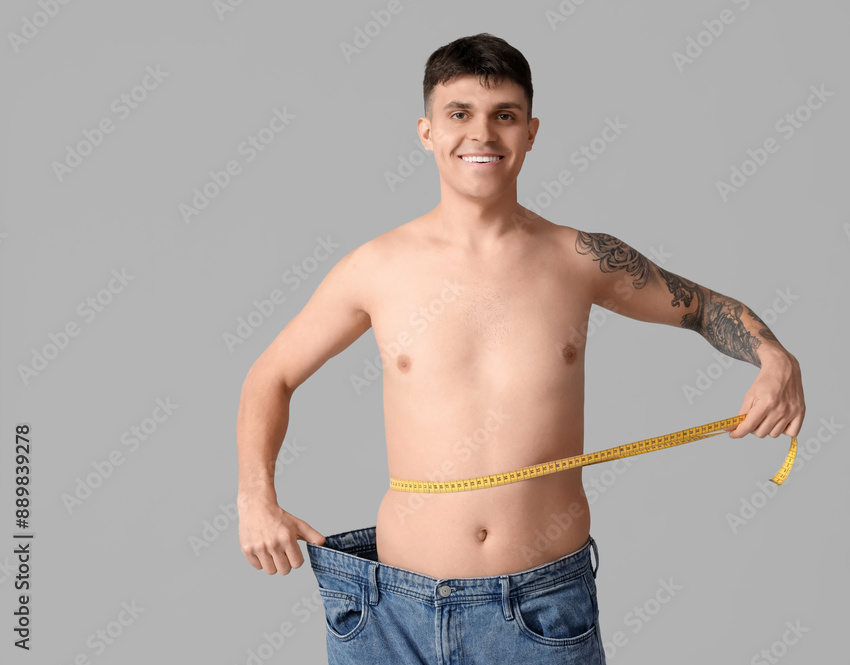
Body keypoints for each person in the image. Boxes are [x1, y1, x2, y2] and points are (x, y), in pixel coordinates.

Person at [236, 32, 805, 664]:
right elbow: (270, 376)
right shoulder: (375, 268)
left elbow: (704, 308)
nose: (481, 134)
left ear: (530, 133)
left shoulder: (581, 258)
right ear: (426, 131)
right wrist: (255, 498)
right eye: (459, 114)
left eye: (503, 115)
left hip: (541, 608)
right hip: (391, 610)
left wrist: (775, 357)